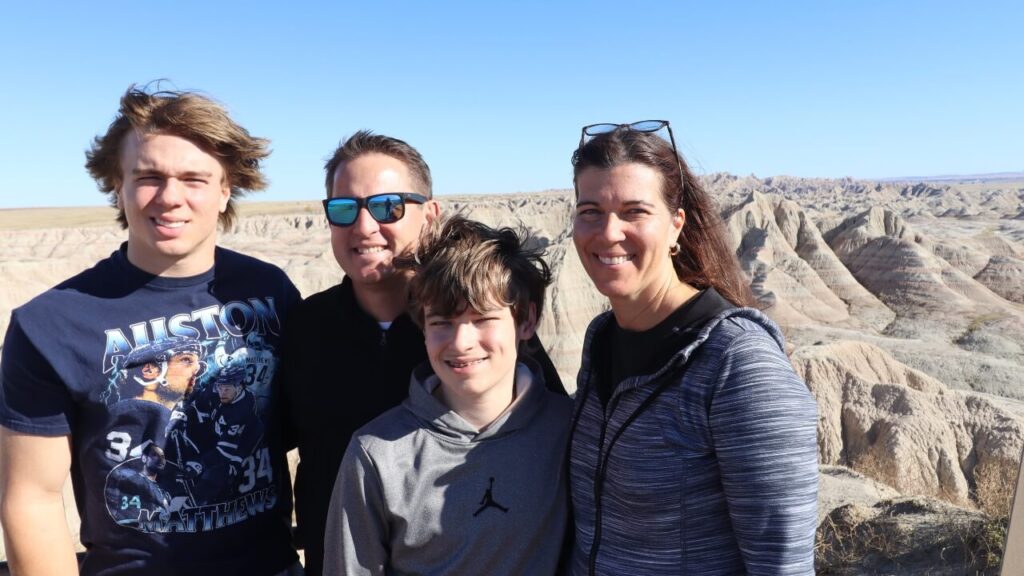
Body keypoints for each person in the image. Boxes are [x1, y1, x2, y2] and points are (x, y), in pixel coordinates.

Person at [0, 85, 302, 576]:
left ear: (226, 188)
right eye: (148, 176)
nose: (171, 197)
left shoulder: (271, 291)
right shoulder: (49, 325)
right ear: (116, 184)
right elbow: (30, 498)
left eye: (194, 178)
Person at [281, 131, 566, 576]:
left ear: (430, 214)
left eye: (387, 206)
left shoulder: (468, 336)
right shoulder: (303, 328)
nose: (364, 227)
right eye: (343, 210)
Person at [567, 121, 819, 575]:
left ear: (674, 226)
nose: (607, 232)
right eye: (590, 211)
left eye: (633, 211)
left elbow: (782, 567)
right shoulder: (602, 339)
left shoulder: (738, 365)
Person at [323, 216, 572, 575]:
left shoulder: (568, 430)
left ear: (526, 321)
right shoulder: (377, 454)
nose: (461, 343)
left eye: (483, 319)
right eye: (441, 323)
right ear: (422, 328)